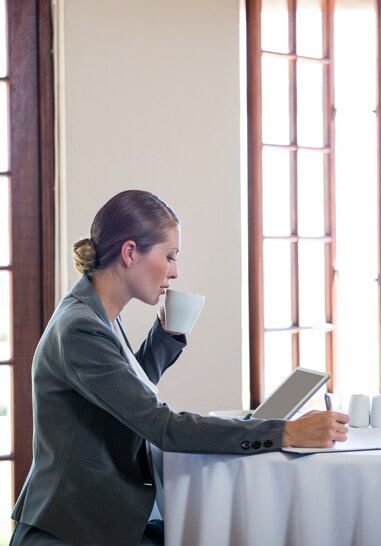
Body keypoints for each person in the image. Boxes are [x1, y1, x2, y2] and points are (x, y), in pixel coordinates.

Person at [9, 190, 349, 546]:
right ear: (129, 253)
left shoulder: (94, 312)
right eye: (169, 256)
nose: (175, 271)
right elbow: (161, 426)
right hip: (69, 528)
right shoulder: (82, 327)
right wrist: (286, 433)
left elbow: (122, 394)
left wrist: (166, 335)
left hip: (91, 518)